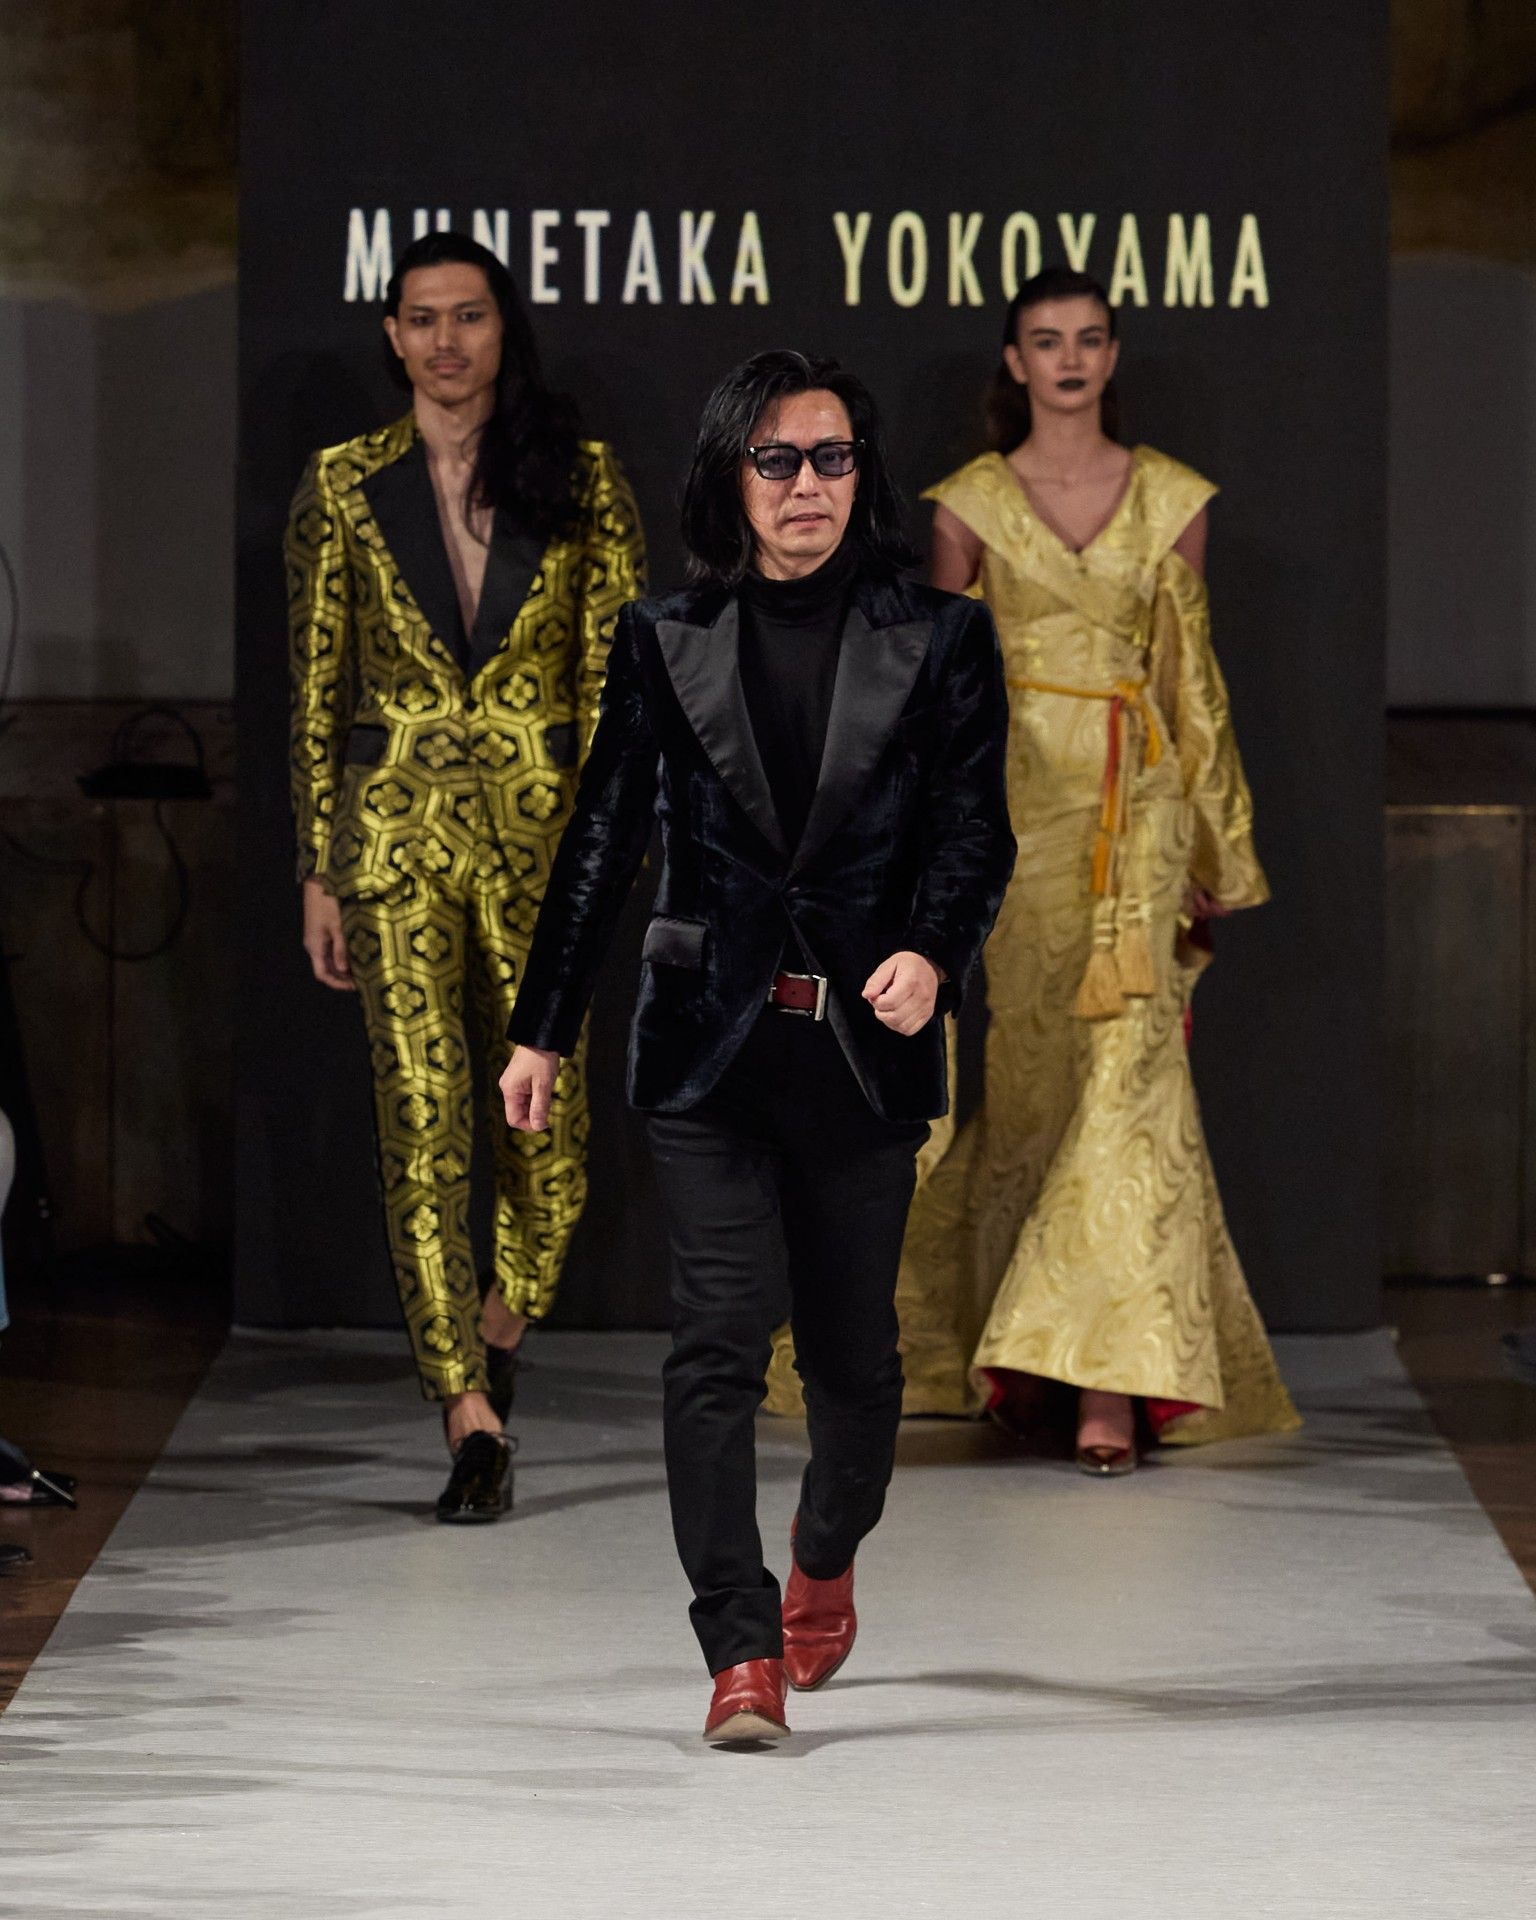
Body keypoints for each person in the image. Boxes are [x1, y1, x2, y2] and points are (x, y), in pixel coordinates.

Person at [500, 349, 1014, 1744]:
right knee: (718, 1337)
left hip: (861, 1049)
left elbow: (976, 833)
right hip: (708, 1047)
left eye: (832, 458)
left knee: (854, 1366)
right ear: (732, 476)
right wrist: (543, 1027)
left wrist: (933, 953)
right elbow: (602, 840)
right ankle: (738, 1648)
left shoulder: (943, 639)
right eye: (778, 459)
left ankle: (824, 1556)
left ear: (864, 473)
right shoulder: (664, 637)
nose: (806, 486)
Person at [849, 268, 1299, 1469]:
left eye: (1089, 339)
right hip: (1016, 821)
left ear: (1112, 355)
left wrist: (1211, 840)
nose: (1068, 359)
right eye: (1045, 341)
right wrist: (919, 845)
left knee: (1130, 1078)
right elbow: (933, 692)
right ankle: (1024, 1359)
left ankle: (1111, 1387)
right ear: (1015, 362)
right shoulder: (969, 506)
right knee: (1036, 1088)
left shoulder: (1172, 498)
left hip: (1139, 817)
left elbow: (1190, 680)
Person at [287, 231, 644, 1521]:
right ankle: (465, 1410)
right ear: (392, 335)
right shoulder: (343, 482)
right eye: (423, 317)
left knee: (548, 1132)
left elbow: (619, 684)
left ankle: (499, 1324)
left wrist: (611, 848)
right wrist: (318, 869)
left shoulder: (582, 475)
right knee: (423, 1117)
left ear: (504, 329)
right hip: (390, 842)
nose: (446, 340)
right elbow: (316, 687)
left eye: (469, 315)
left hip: (547, 844)